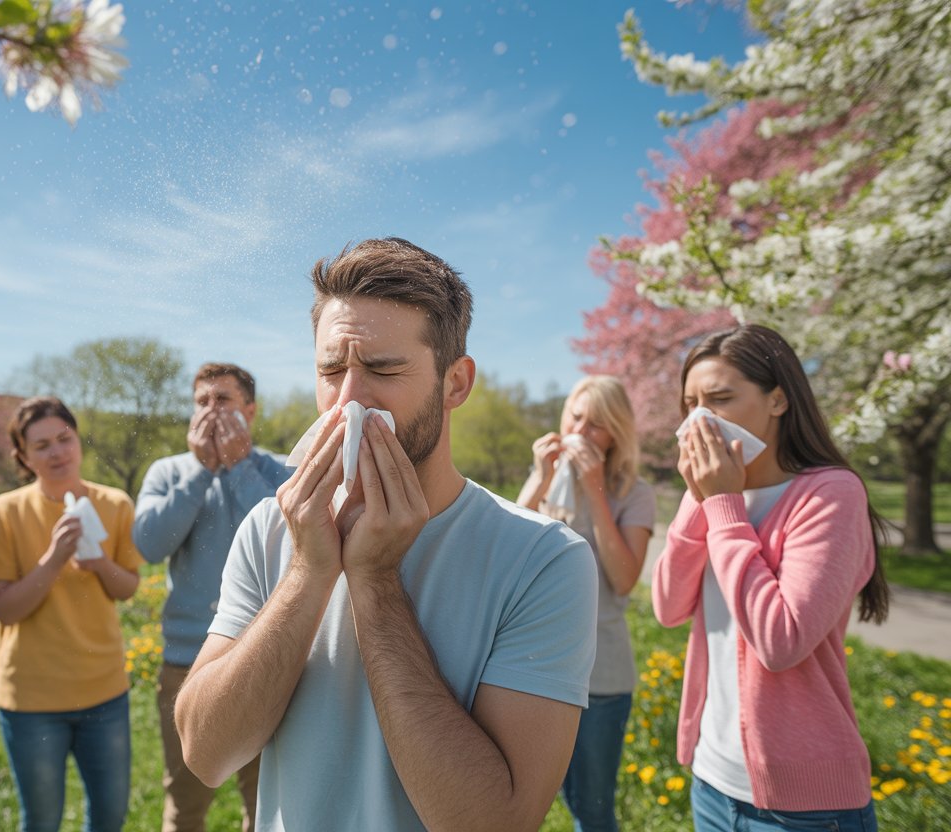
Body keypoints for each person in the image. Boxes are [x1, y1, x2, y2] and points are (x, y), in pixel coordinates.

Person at [175, 237, 598, 831]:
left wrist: (375, 580)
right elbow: (207, 754)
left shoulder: (543, 559)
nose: (347, 401)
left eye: (382, 369)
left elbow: (493, 823)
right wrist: (306, 572)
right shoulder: (274, 527)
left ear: (455, 383)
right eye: (330, 371)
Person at [653, 324, 888, 832]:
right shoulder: (714, 499)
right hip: (712, 783)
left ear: (778, 400)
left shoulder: (829, 494)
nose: (700, 418)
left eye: (720, 398)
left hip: (802, 807)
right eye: (690, 402)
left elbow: (781, 641)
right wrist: (703, 500)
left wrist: (721, 504)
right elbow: (668, 607)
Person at [133, 362, 290, 832]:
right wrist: (201, 473)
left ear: (250, 410)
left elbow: (290, 539)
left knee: (268, 806)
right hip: (186, 663)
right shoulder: (168, 473)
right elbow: (148, 545)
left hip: (271, 659)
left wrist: (239, 467)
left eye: (223, 400)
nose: (211, 411)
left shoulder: (282, 469)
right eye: (202, 401)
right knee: (185, 804)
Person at [0, 397, 141, 832]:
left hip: (104, 692)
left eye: (65, 439)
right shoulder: (4, 512)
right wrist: (53, 560)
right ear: (24, 457)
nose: (57, 453)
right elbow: (6, 610)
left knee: (110, 815)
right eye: (42, 445)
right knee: (42, 820)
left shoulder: (115, 503)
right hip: (31, 699)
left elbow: (128, 588)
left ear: (78, 441)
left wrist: (100, 564)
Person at [516, 375, 655, 832]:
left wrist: (595, 491)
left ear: (616, 432)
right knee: (526, 804)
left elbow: (624, 578)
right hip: (538, 670)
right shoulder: (550, 483)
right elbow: (511, 557)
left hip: (603, 676)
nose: (581, 430)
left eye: (597, 424)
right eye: (576, 416)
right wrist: (539, 478)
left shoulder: (634, 494)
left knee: (592, 810)